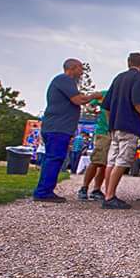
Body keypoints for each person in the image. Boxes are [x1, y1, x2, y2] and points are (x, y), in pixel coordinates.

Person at [33, 59, 103, 202]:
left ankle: (45, 190)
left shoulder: (63, 81)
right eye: (80, 69)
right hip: (57, 128)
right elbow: (77, 100)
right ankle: (43, 192)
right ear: (72, 68)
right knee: (54, 158)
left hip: (59, 128)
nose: (82, 72)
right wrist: (93, 96)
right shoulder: (64, 79)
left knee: (54, 158)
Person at [101, 52, 140, 209]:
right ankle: (110, 197)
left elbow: (106, 106)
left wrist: (111, 123)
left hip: (115, 126)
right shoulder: (139, 78)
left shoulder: (118, 78)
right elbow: (137, 102)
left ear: (128, 62)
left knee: (112, 161)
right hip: (129, 126)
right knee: (122, 161)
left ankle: (108, 192)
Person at [77, 90, 110, 201]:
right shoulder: (106, 93)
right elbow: (90, 105)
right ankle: (84, 188)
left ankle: (96, 189)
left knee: (105, 163)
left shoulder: (126, 96)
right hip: (103, 131)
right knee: (96, 160)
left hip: (114, 132)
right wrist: (92, 109)